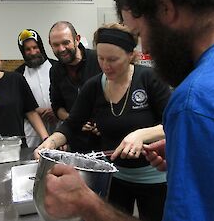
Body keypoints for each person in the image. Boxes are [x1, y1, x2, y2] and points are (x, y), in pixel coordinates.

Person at [43, 0, 214, 221]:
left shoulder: (195, 102)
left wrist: (88, 205)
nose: (147, 47)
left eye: (141, 33)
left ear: (166, 10)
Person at [37, 23, 171, 221]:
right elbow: (71, 124)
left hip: (155, 179)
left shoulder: (149, 79)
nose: (106, 66)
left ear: (131, 55)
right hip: (114, 178)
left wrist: (141, 135)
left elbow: (173, 124)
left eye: (113, 59)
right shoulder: (94, 87)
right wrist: (50, 142)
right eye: (101, 58)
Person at [48, 21, 102, 152]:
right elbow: (57, 106)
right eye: (56, 45)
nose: (61, 49)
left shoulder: (98, 60)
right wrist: (75, 120)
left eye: (66, 43)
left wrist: (103, 121)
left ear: (77, 39)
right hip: (76, 143)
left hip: (105, 140)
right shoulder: (55, 70)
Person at [15, 29, 59, 148]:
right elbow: (17, 104)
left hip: (58, 123)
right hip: (31, 130)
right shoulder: (18, 74)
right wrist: (35, 110)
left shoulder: (57, 67)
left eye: (35, 47)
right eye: (28, 49)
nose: (33, 52)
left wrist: (56, 111)